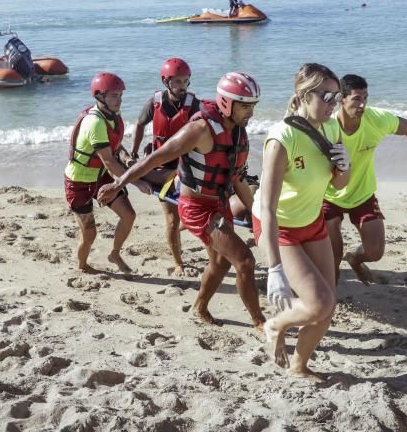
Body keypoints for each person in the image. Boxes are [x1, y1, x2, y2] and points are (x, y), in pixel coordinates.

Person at [98, 72, 266, 330]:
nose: (250, 112)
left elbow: (238, 180)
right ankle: (260, 323)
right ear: (226, 103)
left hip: (219, 203)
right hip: (197, 208)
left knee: (220, 263)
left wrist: (260, 217)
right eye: (245, 106)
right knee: (244, 260)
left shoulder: (237, 133)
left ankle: (200, 307)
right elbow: (153, 159)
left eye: (253, 106)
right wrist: (118, 183)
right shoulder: (199, 130)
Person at [254, 63, 351, 378]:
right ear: (304, 94)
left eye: (336, 97)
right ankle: (275, 324)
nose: (332, 104)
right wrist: (274, 270)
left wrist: (344, 167)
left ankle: (299, 366)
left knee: (328, 304)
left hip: (312, 221)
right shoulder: (282, 138)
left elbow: (338, 185)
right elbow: (267, 207)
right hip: (279, 227)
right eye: (326, 96)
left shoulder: (331, 128)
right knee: (318, 304)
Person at [324, 74, 407, 284]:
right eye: (356, 98)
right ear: (341, 99)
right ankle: (330, 293)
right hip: (329, 196)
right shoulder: (327, 127)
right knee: (333, 257)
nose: (362, 104)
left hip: (362, 193)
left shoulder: (376, 119)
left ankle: (354, 258)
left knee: (375, 253)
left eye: (365, 97)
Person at [65, 73, 150, 273]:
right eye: (113, 96)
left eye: (120, 95)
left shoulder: (113, 116)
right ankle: (83, 266)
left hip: (100, 176)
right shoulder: (94, 122)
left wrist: (127, 158)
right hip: (79, 181)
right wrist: (137, 182)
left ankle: (114, 254)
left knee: (128, 215)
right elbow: (110, 162)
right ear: (100, 96)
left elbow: (116, 146)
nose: (118, 100)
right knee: (89, 234)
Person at [130, 58, 201, 276]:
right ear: (165, 81)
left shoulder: (194, 104)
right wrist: (134, 151)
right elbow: (140, 125)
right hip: (162, 166)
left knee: (194, 215)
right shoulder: (155, 103)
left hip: (188, 167)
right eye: (177, 81)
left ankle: (185, 224)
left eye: (186, 81)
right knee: (171, 220)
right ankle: (179, 262)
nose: (182, 86)